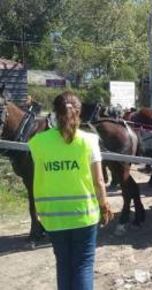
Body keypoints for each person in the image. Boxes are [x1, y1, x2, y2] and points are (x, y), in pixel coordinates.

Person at [28, 92, 113, 290]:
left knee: (64, 265)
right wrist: (104, 205)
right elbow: (99, 181)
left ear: (55, 113)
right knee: (83, 265)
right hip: (84, 215)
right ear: (80, 111)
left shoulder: (37, 143)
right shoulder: (89, 141)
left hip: (53, 216)